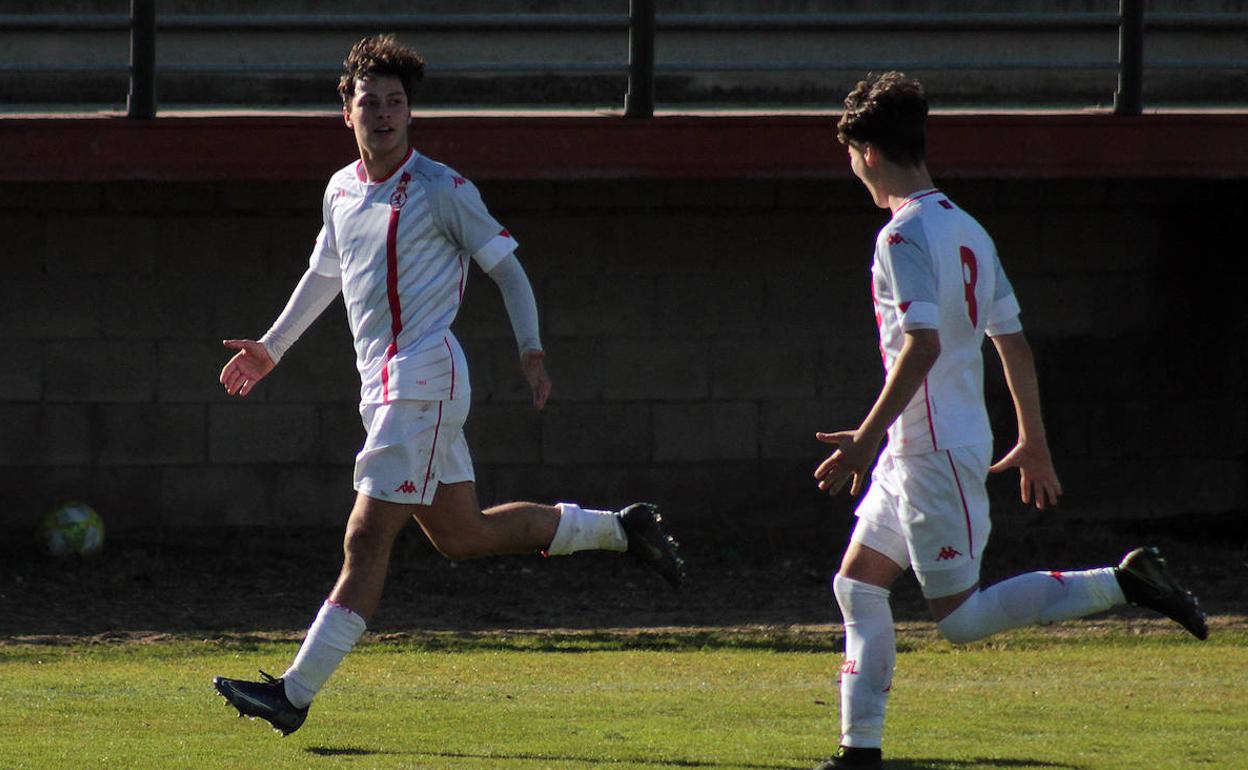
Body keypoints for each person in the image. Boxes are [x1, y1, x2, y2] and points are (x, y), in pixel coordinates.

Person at [211, 34, 684, 736]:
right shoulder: (340, 189)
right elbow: (325, 275)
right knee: (463, 536)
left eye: (396, 102)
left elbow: (508, 269)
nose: (383, 113)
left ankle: (295, 694)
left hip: (424, 379)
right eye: (369, 102)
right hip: (388, 389)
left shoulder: (442, 189)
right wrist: (272, 348)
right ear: (347, 114)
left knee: (366, 538)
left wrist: (531, 351)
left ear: (412, 115)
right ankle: (622, 528)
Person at [810, 72, 1207, 770]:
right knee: (858, 581)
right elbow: (1012, 341)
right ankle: (859, 753)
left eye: (850, 156)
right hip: (917, 450)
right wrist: (1033, 441)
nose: (853, 170)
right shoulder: (967, 226)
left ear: (868, 151)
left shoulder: (900, 237)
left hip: (931, 451)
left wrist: (865, 438)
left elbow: (923, 344)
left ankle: (1127, 582)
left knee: (960, 620)